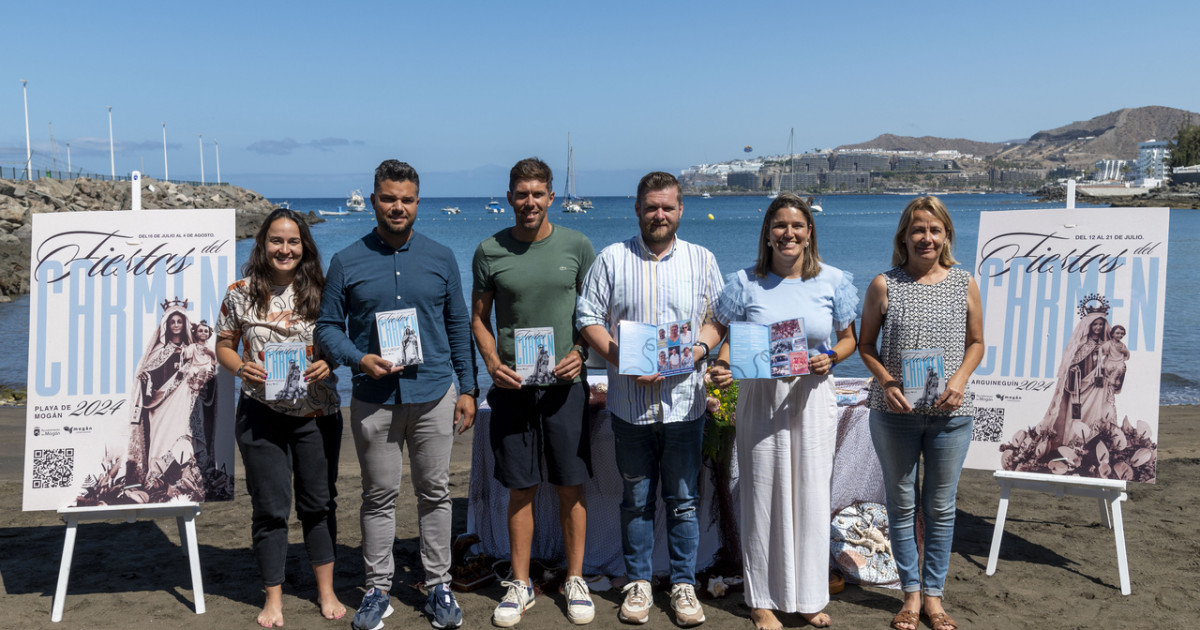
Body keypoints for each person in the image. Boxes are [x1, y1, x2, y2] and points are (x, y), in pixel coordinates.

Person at [315, 160, 477, 630]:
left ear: (417, 203)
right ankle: (377, 589)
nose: (397, 207)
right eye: (388, 198)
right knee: (378, 495)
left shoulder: (442, 256)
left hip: (433, 394)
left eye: (406, 199)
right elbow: (327, 327)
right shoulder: (347, 260)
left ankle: (439, 584)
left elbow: (456, 326)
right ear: (374, 201)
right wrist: (357, 358)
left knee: (435, 492)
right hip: (373, 397)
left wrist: (468, 388)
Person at [706, 192, 859, 630]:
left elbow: (849, 338)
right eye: (779, 226)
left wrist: (831, 355)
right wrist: (719, 365)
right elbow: (729, 337)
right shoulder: (745, 283)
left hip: (812, 399)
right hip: (761, 400)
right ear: (767, 233)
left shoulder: (833, 281)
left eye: (797, 225)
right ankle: (761, 600)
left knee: (811, 495)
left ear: (810, 232)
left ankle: (809, 597)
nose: (788, 233)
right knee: (762, 495)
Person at [577, 171, 724, 627]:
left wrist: (698, 350)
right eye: (651, 206)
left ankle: (683, 584)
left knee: (683, 499)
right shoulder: (611, 259)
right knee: (635, 500)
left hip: (685, 403)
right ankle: (638, 582)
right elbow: (587, 317)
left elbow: (717, 317)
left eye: (668, 207)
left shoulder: (702, 260)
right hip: (630, 405)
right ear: (637, 209)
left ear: (681, 211)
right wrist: (622, 358)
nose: (659, 214)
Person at [470, 157, 597, 626]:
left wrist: (582, 352)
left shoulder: (578, 245)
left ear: (551, 198)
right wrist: (491, 362)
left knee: (570, 484)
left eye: (537, 194)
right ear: (509, 198)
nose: (529, 202)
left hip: (566, 386)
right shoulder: (489, 251)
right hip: (513, 386)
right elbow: (479, 319)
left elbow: (594, 314)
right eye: (521, 194)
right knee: (520, 488)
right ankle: (520, 584)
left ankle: (575, 579)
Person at [214, 208, 344, 628]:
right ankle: (274, 599)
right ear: (262, 244)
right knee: (270, 508)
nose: (284, 249)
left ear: (304, 245)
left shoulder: (325, 292)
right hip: (261, 414)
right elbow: (223, 344)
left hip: (317, 412)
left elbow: (344, 343)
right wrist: (239, 367)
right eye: (276, 240)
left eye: (292, 241)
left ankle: (326, 590)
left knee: (318, 504)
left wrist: (329, 364)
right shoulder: (240, 292)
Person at [858, 196, 984, 630]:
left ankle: (934, 597)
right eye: (918, 229)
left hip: (951, 412)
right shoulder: (883, 284)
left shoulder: (964, 282)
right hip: (895, 412)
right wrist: (887, 383)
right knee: (902, 503)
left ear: (946, 235)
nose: (926, 237)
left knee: (942, 506)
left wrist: (960, 381)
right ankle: (909, 593)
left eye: (934, 230)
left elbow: (976, 343)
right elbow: (865, 346)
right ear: (904, 236)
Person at [126, 302, 205, 495]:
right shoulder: (158, 352)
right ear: (166, 326)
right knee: (161, 438)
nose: (176, 325)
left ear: (185, 324)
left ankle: (182, 479)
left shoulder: (193, 350)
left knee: (181, 438)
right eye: (172, 322)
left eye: (179, 321)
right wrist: (146, 381)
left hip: (183, 403)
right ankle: (157, 479)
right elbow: (147, 378)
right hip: (160, 406)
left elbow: (204, 372)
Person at [1038, 309, 1117, 451]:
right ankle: (1072, 443)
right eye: (1095, 325)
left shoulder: (1107, 345)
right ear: (1088, 326)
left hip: (1098, 386)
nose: (1098, 328)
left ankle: (1094, 443)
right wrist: (1074, 370)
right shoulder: (1081, 344)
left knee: (1097, 412)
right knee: (1077, 412)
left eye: (1100, 324)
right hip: (1081, 385)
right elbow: (1071, 363)